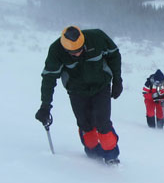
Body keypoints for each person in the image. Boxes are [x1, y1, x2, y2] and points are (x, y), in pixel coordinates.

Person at [35, 26, 122, 165]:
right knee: (85, 125)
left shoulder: (97, 37)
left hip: (101, 86)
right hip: (77, 92)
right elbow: (49, 78)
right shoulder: (56, 50)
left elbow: (114, 54)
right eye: (73, 52)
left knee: (103, 124)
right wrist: (45, 106)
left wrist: (117, 80)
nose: (78, 53)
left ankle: (112, 156)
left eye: (80, 49)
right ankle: (93, 153)